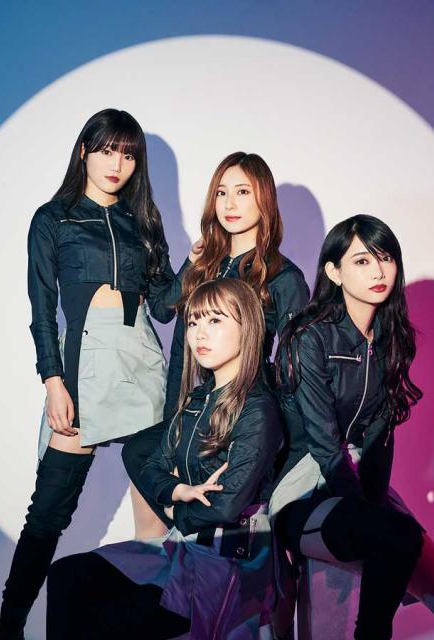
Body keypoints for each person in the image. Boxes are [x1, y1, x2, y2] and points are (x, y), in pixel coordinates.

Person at [0, 108, 183, 640]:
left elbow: (164, 308)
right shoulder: (53, 219)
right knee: (48, 514)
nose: (117, 163)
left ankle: (152, 627)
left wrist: (195, 265)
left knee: (155, 518)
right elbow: (42, 311)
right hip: (83, 368)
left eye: (128, 154)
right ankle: (10, 627)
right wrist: (54, 382)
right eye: (107, 150)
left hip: (141, 366)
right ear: (84, 152)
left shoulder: (143, 222)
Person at [270, 214, 434, 639]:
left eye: (385, 259)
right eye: (362, 261)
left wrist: (373, 503)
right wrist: (367, 512)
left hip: (364, 494)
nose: (378, 271)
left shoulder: (389, 339)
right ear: (334, 271)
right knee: (395, 537)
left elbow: (380, 439)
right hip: (305, 490)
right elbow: (323, 443)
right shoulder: (309, 336)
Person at [46, 278, 283, 639]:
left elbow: (224, 508)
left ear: (246, 327)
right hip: (181, 549)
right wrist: (177, 491)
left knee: (111, 617)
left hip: (227, 561)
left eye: (215, 320)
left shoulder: (257, 410)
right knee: (66, 575)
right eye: (193, 322)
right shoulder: (198, 400)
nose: (200, 333)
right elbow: (152, 465)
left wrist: (173, 510)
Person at [122, 151, 310, 538]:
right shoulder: (207, 262)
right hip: (193, 404)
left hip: (241, 412)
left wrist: (281, 442)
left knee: (211, 506)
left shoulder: (283, 277)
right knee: (142, 455)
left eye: (242, 192)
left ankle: (183, 541)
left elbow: (296, 367)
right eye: (221, 193)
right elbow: (165, 313)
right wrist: (191, 262)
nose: (229, 204)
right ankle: (158, 553)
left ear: (264, 198)